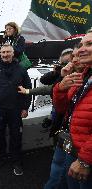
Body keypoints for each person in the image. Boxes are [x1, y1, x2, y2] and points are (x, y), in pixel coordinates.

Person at [0, 44, 32, 176]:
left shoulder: (21, 69)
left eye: (8, 52)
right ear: (0, 54)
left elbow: (28, 89)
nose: (5, 54)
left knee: (16, 136)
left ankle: (17, 161)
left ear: (13, 53)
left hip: (16, 110)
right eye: (3, 52)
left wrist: (25, 107)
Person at [53, 32, 92, 189]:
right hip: (74, 147)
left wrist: (85, 160)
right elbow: (62, 108)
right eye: (81, 45)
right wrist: (60, 88)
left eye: (88, 44)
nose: (80, 50)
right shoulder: (83, 76)